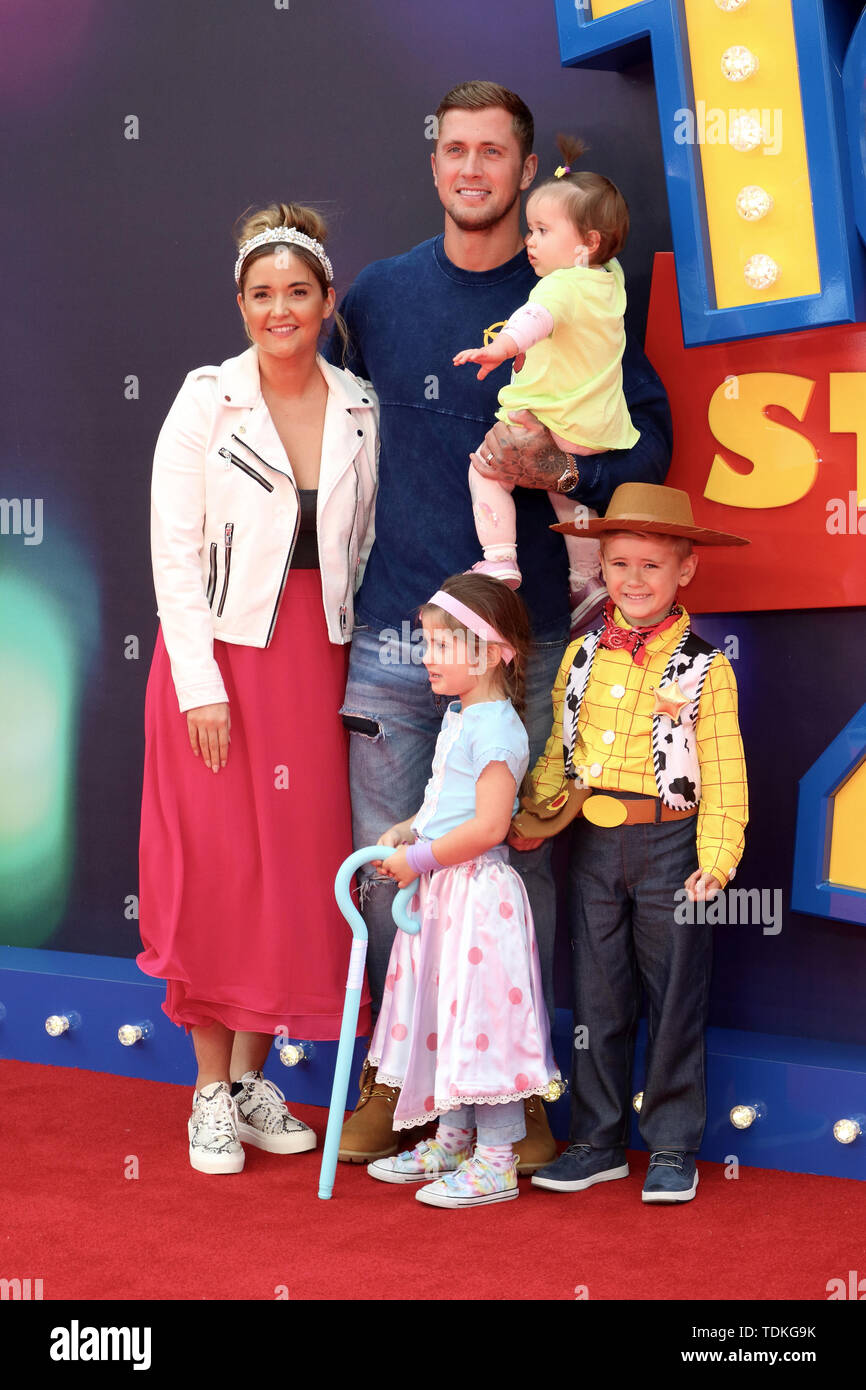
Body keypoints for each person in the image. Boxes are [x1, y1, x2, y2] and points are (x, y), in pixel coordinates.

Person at [326, 80, 673, 1172]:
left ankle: (511, 1099)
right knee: (395, 869)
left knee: (515, 873)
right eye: (455, 150)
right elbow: (327, 442)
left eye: (494, 154)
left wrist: (563, 467)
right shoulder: (376, 298)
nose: (472, 169)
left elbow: (646, 441)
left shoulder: (577, 289)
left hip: (520, 646)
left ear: (527, 175)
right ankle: (400, 1086)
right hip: (392, 635)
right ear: (435, 164)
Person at [137, 203, 379, 1175]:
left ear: (325, 300)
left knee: (289, 878)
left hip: (319, 664)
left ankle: (245, 1083)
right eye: (261, 294)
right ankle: (203, 1093)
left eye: (298, 292)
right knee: (220, 873)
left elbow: (363, 547)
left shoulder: (360, 403)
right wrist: (199, 684)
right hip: (219, 670)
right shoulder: (206, 399)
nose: (280, 310)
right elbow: (174, 551)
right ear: (240, 303)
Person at [509, 483, 749, 1204]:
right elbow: (559, 748)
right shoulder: (583, 654)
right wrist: (535, 811)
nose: (634, 581)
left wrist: (717, 860)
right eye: (619, 565)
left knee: (675, 995)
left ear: (685, 571)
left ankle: (673, 1145)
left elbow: (724, 771)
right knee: (597, 998)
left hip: (672, 845)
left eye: (650, 565)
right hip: (591, 847)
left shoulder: (707, 666)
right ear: (600, 570)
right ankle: (597, 1139)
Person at [366, 574, 559, 1208]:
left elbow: (488, 826)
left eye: (444, 644)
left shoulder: (497, 729)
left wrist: (417, 857)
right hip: (443, 896)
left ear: (495, 652)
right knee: (449, 1020)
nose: (427, 656)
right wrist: (409, 831)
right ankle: (452, 1142)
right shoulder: (462, 717)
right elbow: (448, 806)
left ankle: (498, 1159)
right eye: (428, 643)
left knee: (483, 1025)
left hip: (476, 899)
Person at [454, 135, 638, 629]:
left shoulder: (560, 284)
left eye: (541, 230)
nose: (529, 241)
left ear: (587, 244)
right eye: (530, 229)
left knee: (487, 472)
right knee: (566, 493)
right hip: (592, 429)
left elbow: (536, 317)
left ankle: (500, 558)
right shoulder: (609, 280)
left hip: (548, 414)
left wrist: (501, 347)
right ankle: (586, 578)